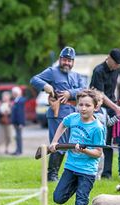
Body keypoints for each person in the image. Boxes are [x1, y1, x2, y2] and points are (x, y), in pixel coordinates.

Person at [49, 89, 105, 205]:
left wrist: (85, 150)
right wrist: (55, 141)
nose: (83, 108)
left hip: (87, 172)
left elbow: (98, 153)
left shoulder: (97, 128)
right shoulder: (73, 119)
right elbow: (63, 124)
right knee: (58, 198)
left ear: (95, 107)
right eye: (80, 104)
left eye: (87, 105)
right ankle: (79, 192)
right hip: (70, 168)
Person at [30, 46, 86, 181]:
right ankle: (52, 175)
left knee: (71, 144)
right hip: (58, 113)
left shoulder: (77, 76)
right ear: (60, 59)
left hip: (74, 113)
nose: (67, 63)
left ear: (73, 62)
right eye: (65, 60)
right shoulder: (52, 72)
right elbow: (34, 80)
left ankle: (70, 173)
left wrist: (70, 93)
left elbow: (85, 89)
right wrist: (46, 87)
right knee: (59, 143)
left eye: (70, 60)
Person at [89, 48, 120, 179]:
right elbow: (101, 95)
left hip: (111, 107)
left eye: (119, 64)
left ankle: (107, 173)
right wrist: (116, 107)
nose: (117, 66)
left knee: (108, 142)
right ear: (109, 58)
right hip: (98, 109)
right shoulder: (98, 71)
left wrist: (117, 106)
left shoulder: (116, 70)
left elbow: (114, 89)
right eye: (116, 63)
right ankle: (94, 171)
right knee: (99, 141)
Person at [10, 86, 26, 156]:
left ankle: (19, 151)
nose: (12, 94)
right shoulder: (16, 100)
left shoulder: (20, 101)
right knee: (17, 137)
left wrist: (21, 123)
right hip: (15, 122)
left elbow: (20, 113)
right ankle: (17, 150)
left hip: (18, 122)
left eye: (13, 93)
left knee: (19, 137)